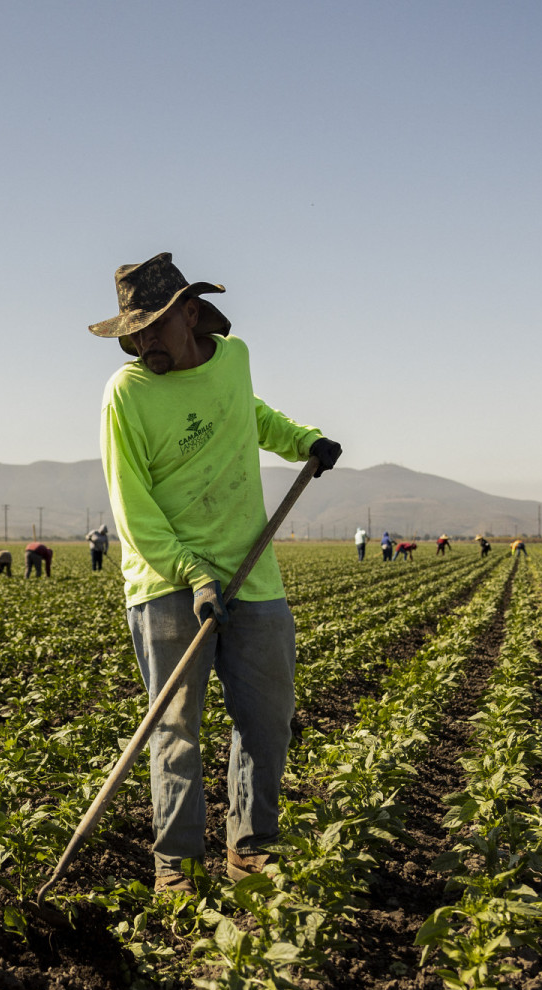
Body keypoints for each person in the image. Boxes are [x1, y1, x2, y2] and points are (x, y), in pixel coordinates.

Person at [90, 252, 342, 892]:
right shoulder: (127, 393)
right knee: (173, 729)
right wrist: (191, 573)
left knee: (266, 720)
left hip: (253, 576)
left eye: (151, 327)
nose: (141, 342)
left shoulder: (233, 360)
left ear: (191, 314)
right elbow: (132, 505)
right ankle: (177, 864)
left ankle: (251, 849)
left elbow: (250, 416)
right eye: (132, 332)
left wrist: (304, 441)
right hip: (167, 583)